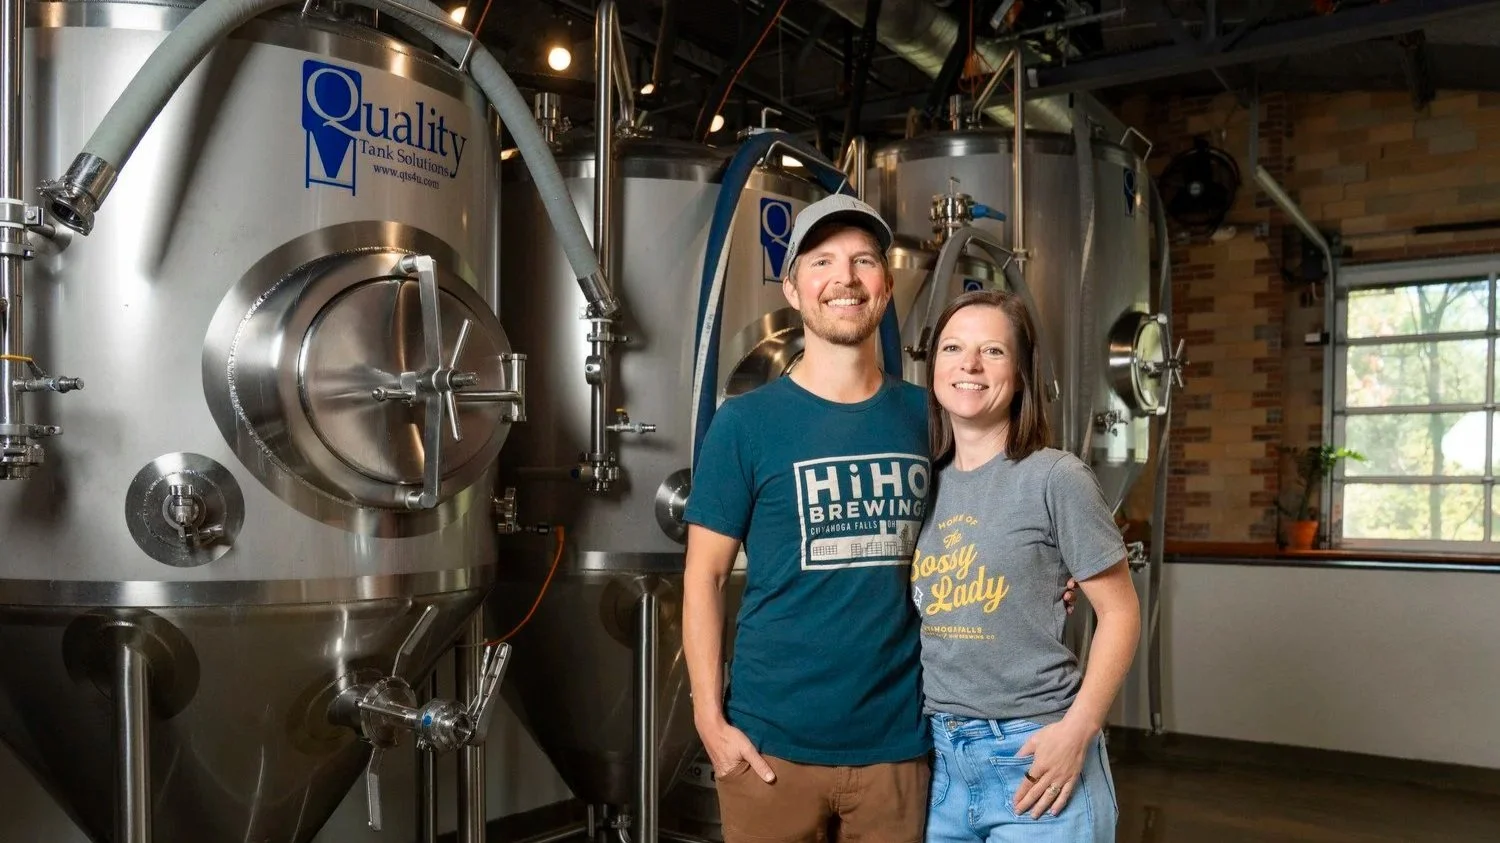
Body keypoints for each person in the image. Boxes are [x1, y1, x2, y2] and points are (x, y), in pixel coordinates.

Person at [682, 193, 932, 843]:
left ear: (886, 283)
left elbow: (978, 531)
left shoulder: (929, 417)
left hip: (897, 749)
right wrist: (709, 719)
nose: (845, 278)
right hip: (770, 751)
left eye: (863, 260)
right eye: (821, 261)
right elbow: (703, 577)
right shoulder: (744, 423)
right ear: (792, 287)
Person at [913, 289, 1140, 843]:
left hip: (1035, 757)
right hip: (938, 764)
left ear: (1019, 374)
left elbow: (1122, 613)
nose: (968, 365)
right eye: (952, 348)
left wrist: (1078, 731)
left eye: (992, 351)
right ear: (934, 366)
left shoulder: (1054, 477)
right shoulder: (921, 482)